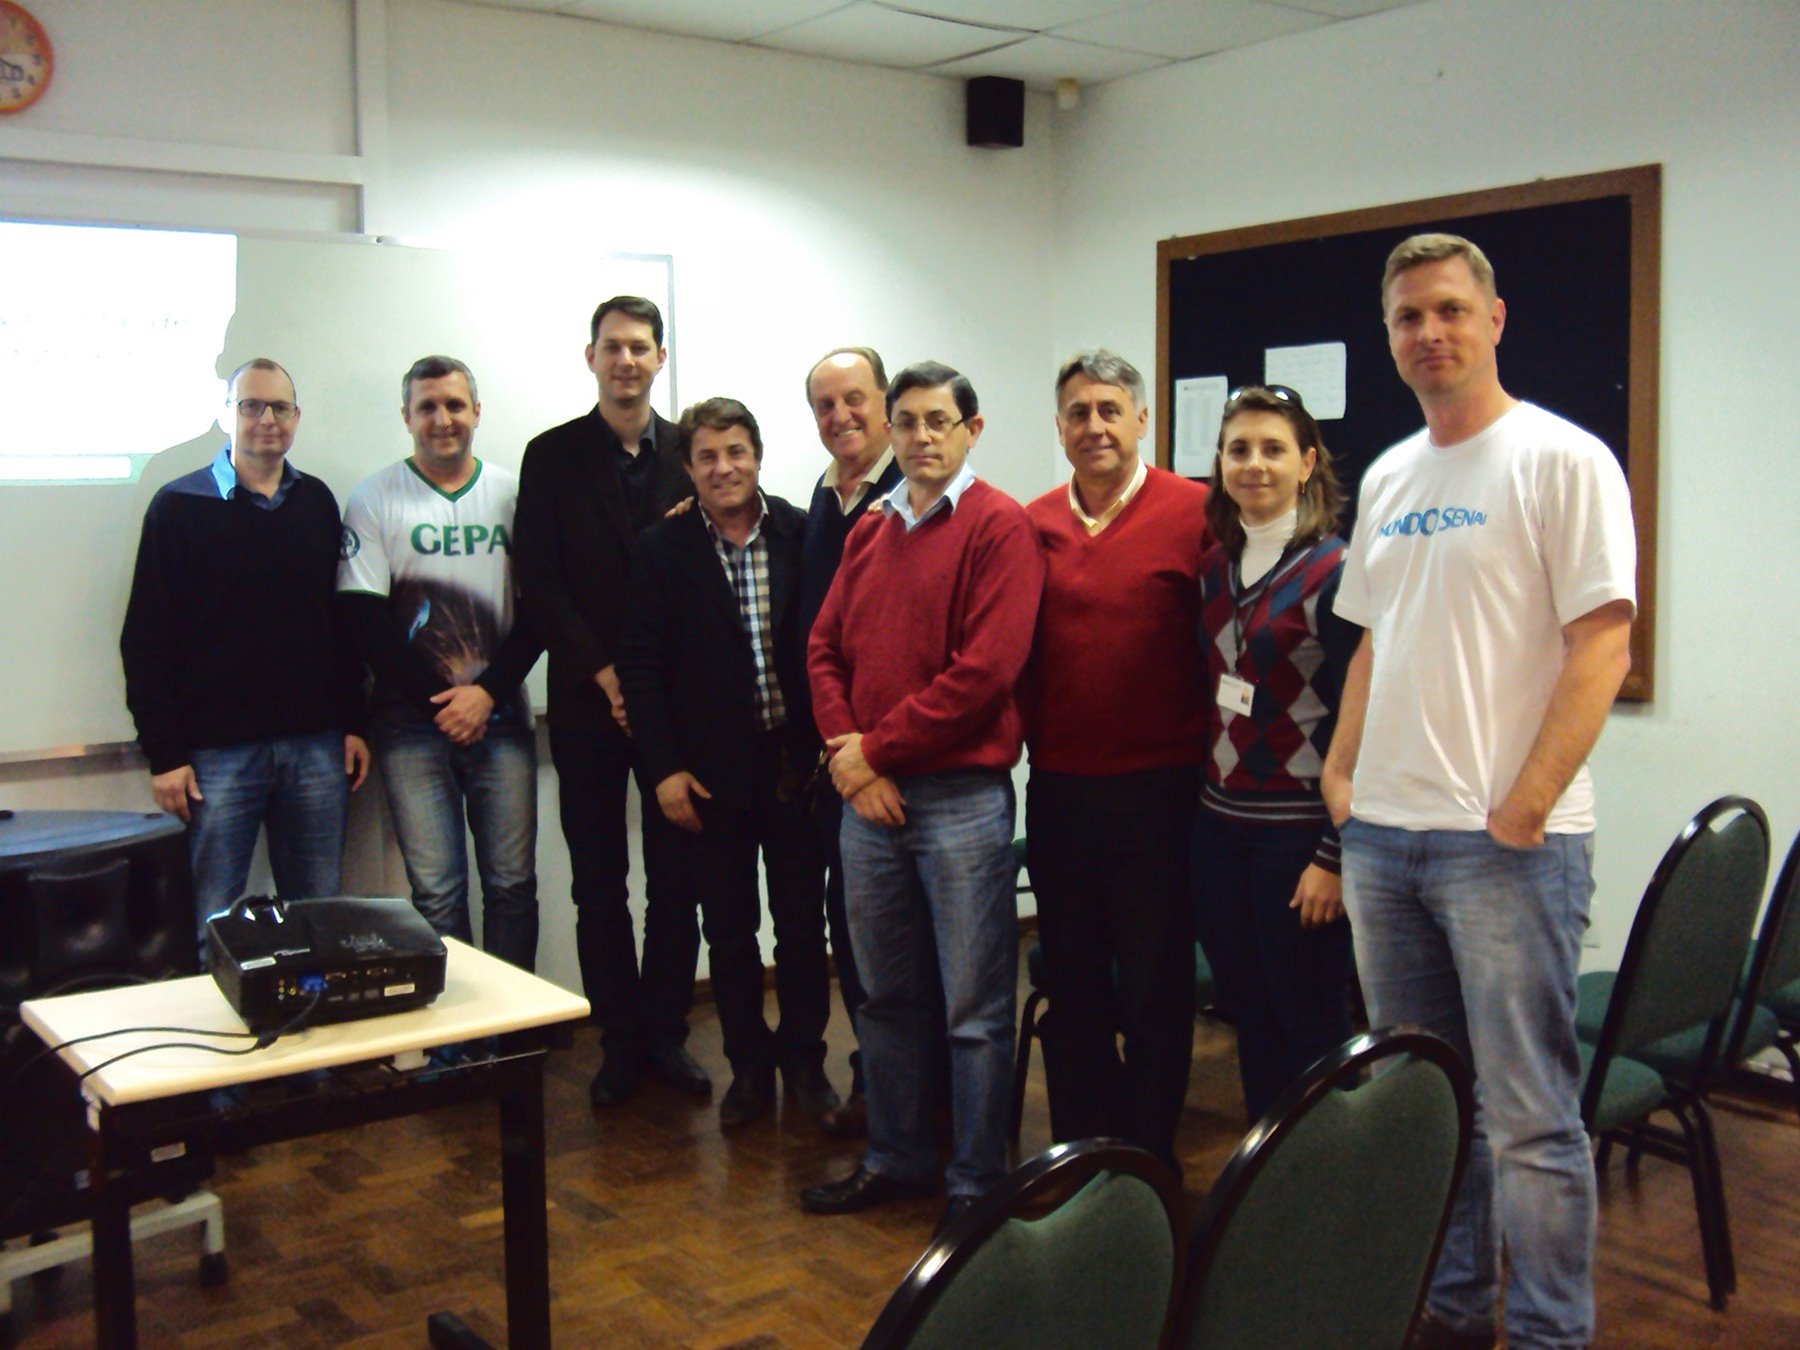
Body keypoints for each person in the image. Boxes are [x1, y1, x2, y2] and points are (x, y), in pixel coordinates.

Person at [1321, 234, 1636, 1350]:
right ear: (1389, 335)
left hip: (1506, 850)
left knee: (1532, 1119)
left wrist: (1526, 805)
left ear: (1494, 319)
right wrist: (1342, 775)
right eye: (1409, 317)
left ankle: (1550, 1332)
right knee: (1429, 1102)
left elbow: (1604, 643)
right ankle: (1455, 1305)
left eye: (1450, 309)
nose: (1430, 332)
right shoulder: (1390, 475)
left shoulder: (1562, 458)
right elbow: (1374, 642)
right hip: (1385, 840)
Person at [802, 361, 1044, 1234]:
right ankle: (897, 1158)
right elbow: (823, 649)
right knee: (883, 998)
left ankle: (976, 1181)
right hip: (869, 804)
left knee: (974, 1011)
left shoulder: (1000, 526)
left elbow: (985, 674)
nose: (921, 437)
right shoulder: (872, 527)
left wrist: (873, 752)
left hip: (960, 801)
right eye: (906, 422)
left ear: (971, 430)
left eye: (939, 421)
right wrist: (852, 758)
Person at [513, 296, 709, 1107]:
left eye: (639, 347)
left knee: (676, 882)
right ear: (590, 357)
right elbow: (538, 579)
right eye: (611, 347)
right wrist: (604, 672)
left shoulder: (692, 451)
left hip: (675, 708)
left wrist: (650, 684)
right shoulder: (550, 455)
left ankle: (667, 1034)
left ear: (660, 357)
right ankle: (619, 1041)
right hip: (587, 699)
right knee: (598, 885)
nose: (625, 360)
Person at [618, 397, 834, 1130]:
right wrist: (663, 770)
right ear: (688, 467)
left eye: (736, 451)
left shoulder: (802, 533)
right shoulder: (661, 548)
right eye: (707, 456)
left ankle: (804, 1061)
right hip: (709, 774)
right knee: (731, 932)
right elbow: (641, 668)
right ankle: (749, 1068)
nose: (723, 468)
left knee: (802, 928)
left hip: (793, 766)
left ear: (758, 455)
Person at [1022, 349, 1211, 1171]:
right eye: (1078, 412)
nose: (1093, 426)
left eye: (1109, 409)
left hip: (1160, 793)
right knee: (1073, 985)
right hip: (1060, 790)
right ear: (1059, 426)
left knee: (1154, 987)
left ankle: (1146, 1160)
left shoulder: (1197, 513)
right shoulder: (1031, 524)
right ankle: (1081, 1155)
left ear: (1142, 419)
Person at [121, 358, 368, 939]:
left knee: (317, 922)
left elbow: (341, 625)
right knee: (215, 926)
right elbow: (146, 637)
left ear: (297, 417)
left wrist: (355, 722)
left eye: (279, 407)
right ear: (225, 415)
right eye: (250, 406)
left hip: (315, 747)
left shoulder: (317, 503)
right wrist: (164, 753)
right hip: (216, 754)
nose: (266, 420)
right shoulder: (177, 506)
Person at [338, 355, 540, 972]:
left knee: (512, 885)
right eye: (427, 407)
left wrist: (487, 693)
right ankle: (455, 1027)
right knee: (437, 894)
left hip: (502, 718)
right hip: (409, 726)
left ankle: (516, 1022)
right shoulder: (374, 497)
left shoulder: (514, 495)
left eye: (455, 405)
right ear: (406, 417)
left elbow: (542, 609)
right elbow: (365, 620)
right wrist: (446, 702)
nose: (442, 419)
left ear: (477, 411)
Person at [1190, 384, 1357, 1126]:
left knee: (1310, 1018)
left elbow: (1364, 721)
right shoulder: (1213, 570)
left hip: (1300, 839)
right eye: (1239, 449)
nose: (1254, 464)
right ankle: (1271, 1168)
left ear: (1307, 463)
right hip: (1220, 831)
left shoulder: (1338, 572)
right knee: (1249, 1012)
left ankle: (1331, 1166)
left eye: (1273, 449)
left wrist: (1335, 855)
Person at [797, 346, 906, 1138]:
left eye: (855, 399)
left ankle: (913, 1101)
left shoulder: (916, 495)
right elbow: (822, 637)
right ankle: (880, 1086)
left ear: (886, 402)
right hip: (841, 762)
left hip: (899, 764)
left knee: (905, 951)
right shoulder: (825, 497)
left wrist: (873, 755)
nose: (841, 416)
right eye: (825, 405)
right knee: (859, 939)